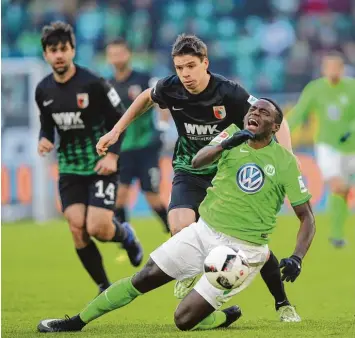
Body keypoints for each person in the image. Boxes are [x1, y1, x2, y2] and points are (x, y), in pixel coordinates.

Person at [37, 98, 316, 333]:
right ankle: (76, 322)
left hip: (242, 251)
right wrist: (226, 144)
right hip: (204, 231)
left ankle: (222, 315)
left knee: (183, 320)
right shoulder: (231, 135)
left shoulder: (285, 162)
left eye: (264, 112)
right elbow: (198, 160)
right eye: (253, 111)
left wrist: (297, 257)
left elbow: (307, 217)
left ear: (276, 127)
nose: (255, 113)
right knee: (144, 276)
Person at [96, 34, 301, 321]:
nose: (185, 74)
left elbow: (277, 117)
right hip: (190, 167)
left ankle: (282, 302)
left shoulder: (230, 92)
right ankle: (194, 280)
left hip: (225, 172)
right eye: (179, 68)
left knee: (252, 247)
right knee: (179, 226)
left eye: (191, 66)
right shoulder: (170, 88)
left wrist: (287, 158)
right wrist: (116, 131)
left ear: (205, 63)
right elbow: (145, 97)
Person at [35, 21, 143, 295]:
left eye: (63, 49)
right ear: (46, 54)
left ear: (72, 50)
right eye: (52, 50)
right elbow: (47, 123)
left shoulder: (93, 83)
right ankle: (103, 286)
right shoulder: (43, 90)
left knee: (98, 228)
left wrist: (113, 156)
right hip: (70, 169)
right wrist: (44, 138)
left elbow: (120, 119)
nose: (58, 55)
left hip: (100, 164)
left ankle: (127, 236)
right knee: (76, 227)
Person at [288, 52, 355, 248]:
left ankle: (337, 233)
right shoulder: (315, 89)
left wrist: (351, 130)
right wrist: (282, 130)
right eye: (329, 67)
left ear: (342, 69)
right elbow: (300, 113)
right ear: (324, 69)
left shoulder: (351, 88)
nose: (332, 71)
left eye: (336, 67)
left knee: (344, 191)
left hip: (350, 147)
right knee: (337, 185)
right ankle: (336, 236)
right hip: (327, 145)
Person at [106, 38, 170, 233]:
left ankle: (173, 232)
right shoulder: (107, 86)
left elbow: (162, 102)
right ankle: (127, 239)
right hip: (122, 150)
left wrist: (162, 125)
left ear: (128, 54)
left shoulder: (143, 79)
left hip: (146, 148)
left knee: (152, 197)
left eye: (120, 53)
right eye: (113, 54)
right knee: (119, 197)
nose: (117, 58)